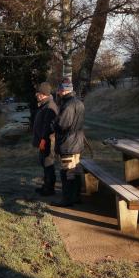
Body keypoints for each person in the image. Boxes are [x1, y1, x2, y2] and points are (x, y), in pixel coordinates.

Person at [54, 77, 85, 207]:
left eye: (59, 90)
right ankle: (75, 197)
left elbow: (62, 125)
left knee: (67, 171)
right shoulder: (78, 102)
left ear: (64, 90)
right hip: (77, 142)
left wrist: (53, 124)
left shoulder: (68, 104)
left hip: (68, 144)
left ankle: (67, 199)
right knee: (75, 170)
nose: (58, 92)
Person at [32, 82, 58, 196]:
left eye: (38, 93)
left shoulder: (49, 106)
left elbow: (48, 126)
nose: (36, 95)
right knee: (44, 164)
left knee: (48, 164)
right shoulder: (44, 105)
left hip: (47, 142)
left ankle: (49, 189)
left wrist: (43, 140)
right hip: (43, 141)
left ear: (43, 94)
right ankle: (46, 186)